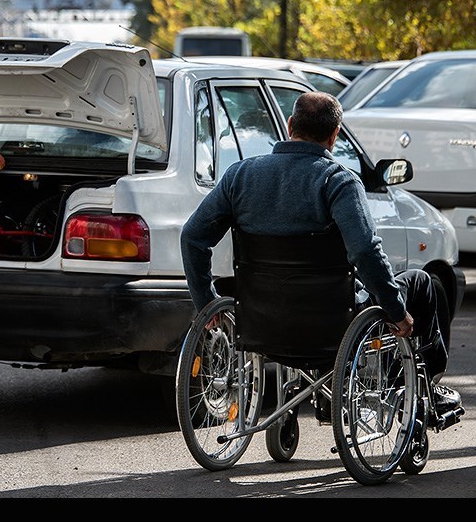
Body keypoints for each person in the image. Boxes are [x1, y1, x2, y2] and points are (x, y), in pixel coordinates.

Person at [180, 91, 462, 420]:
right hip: (332, 321)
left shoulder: (239, 176)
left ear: (289, 126)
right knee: (422, 283)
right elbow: (364, 251)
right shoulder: (338, 181)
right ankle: (423, 388)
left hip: (258, 319)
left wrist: (205, 301)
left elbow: (193, 236)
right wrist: (396, 310)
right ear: (334, 136)